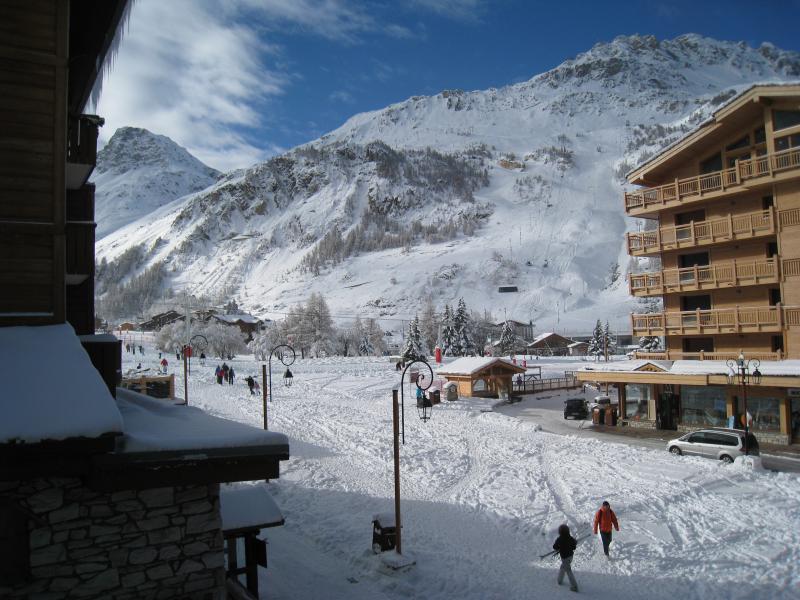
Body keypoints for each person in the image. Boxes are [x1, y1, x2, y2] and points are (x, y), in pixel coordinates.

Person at [553, 523, 579, 592]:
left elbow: (555, 547)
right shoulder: (570, 538)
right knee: (563, 567)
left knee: (568, 571)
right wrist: (575, 542)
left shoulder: (559, 539)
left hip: (565, 558)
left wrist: (560, 547)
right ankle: (559, 580)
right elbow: (574, 547)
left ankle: (574, 586)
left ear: (560, 532)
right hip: (570, 556)